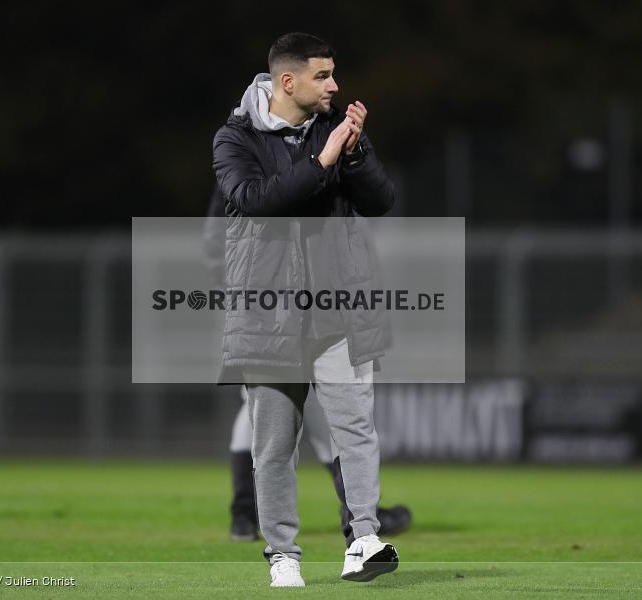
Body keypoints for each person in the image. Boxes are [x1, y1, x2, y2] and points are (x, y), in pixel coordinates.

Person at [212, 32, 399, 587]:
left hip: (337, 311)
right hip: (267, 317)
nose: (335, 85)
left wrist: (357, 151)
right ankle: (283, 554)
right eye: (324, 75)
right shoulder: (234, 138)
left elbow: (381, 201)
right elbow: (256, 202)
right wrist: (326, 157)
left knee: (356, 429)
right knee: (274, 446)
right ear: (287, 81)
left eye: (334, 73)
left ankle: (363, 538)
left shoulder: (337, 127)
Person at [204, 186, 412, 544]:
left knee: (267, 411)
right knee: (293, 417)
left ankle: (246, 515)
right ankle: (351, 520)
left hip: (297, 310)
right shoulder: (257, 159)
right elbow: (218, 242)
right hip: (275, 311)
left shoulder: (280, 162)